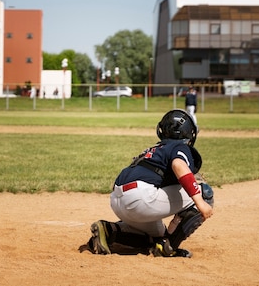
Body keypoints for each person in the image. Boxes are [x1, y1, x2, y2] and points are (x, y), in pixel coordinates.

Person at [87, 109, 213, 258]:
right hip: (140, 198)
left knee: (157, 237)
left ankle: (110, 230)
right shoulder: (179, 147)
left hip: (117, 200)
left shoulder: (155, 149)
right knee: (204, 193)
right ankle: (168, 248)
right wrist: (200, 202)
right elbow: (179, 165)